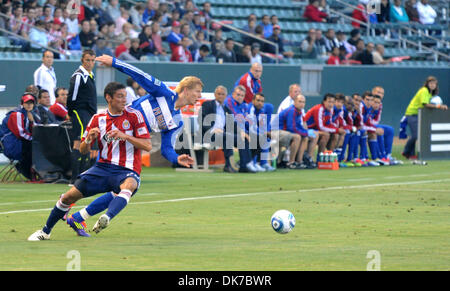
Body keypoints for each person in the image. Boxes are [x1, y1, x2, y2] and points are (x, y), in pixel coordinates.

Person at [27, 82, 152, 240]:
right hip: (102, 168)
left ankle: (106, 218)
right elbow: (83, 150)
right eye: (120, 96)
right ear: (109, 98)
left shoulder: (134, 116)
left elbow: (147, 145)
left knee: (130, 185)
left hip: (126, 170)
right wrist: (88, 140)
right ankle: (45, 232)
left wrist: (125, 135)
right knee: (67, 197)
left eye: (125, 97)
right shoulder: (97, 119)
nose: (124, 100)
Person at [67, 49, 97, 184]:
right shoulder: (79, 76)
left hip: (89, 113)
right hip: (80, 112)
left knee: (88, 142)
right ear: (82, 61)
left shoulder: (91, 75)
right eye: (87, 60)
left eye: (92, 60)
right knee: (79, 142)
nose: (90, 63)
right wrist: (72, 112)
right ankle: (74, 177)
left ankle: (84, 175)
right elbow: (72, 97)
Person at [402, 76, 447, 159]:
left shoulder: (430, 93)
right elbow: (425, 104)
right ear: (427, 84)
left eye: (434, 84)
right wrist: (439, 106)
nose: (433, 85)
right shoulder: (424, 90)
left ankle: (410, 154)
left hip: (419, 115)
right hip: (412, 114)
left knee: (417, 135)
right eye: (431, 83)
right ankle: (406, 152)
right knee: (416, 135)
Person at [0, 93, 36, 180]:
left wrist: (31, 122)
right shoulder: (17, 114)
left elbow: (31, 131)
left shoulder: (28, 114)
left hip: (18, 143)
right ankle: (28, 172)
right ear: (22, 103)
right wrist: (34, 139)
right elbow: (20, 133)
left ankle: (33, 173)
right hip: (11, 146)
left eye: (31, 103)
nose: (29, 105)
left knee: (35, 146)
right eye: (27, 103)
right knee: (34, 147)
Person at [222, 86, 257, 173]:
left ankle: (247, 163)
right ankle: (245, 165)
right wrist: (243, 132)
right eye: (238, 95)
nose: (240, 97)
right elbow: (234, 120)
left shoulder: (244, 105)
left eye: (242, 95)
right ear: (233, 94)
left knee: (259, 139)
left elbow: (248, 121)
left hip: (240, 130)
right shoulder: (229, 102)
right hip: (229, 129)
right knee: (243, 138)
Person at [278, 94, 318, 169]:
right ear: (294, 102)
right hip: (276, 131)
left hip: (285, 132)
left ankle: (300, 161)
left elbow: (298, 126)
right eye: (300, 101)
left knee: (305, 138)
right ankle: (291, 162)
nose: (302, 104)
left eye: (303, 102)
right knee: (297, 137)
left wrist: (306, 132)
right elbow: (292, 128)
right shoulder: (292, 110)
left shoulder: (298, 112)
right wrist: (306, 133)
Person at [245, 93, 276, 172]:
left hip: (254, 131)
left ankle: (264, 163)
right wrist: (264, 133)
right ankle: (254, 163)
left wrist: (267, 132)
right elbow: (251, 126)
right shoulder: (250, 109)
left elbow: (265, 124)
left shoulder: (262, 109)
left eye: (262, 101)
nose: (260, 103)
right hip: (245, 131)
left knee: (265, 137)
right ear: (253, 101)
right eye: (258, 100)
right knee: (257, 137)